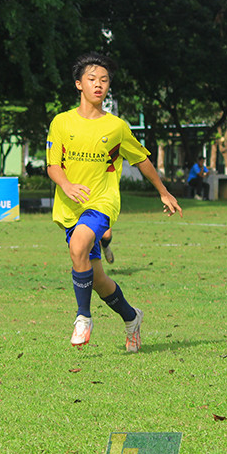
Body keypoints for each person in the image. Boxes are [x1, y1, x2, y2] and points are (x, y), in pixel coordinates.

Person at [46, 52, 182, 352]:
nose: (99, 85)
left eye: (104, 80)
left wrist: (163, 190)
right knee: (97, 279)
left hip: (102, 202)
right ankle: (132, 318)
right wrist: (66, 185)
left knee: (78, 245)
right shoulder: (61, 122)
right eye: (92, 79)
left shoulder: (117, 127)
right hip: (71, 206)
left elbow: (141, 158)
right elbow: (53, 165)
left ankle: (83, 317)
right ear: (78, 84)